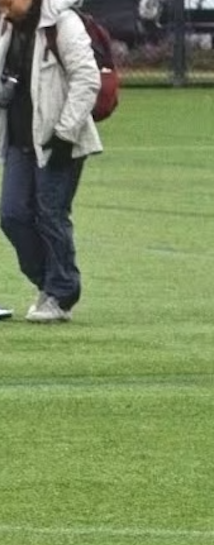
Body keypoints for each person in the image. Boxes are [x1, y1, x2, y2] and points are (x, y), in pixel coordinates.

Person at [0, 0, 100, 324]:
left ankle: (61, 294)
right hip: (19, 139)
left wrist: (66, 132)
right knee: (12, 214)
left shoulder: (64, 23)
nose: (3, 9)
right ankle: (51, 283)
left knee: (51, 215)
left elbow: (87, 79)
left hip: (57, 139)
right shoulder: (8, 28)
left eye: (6, 3)